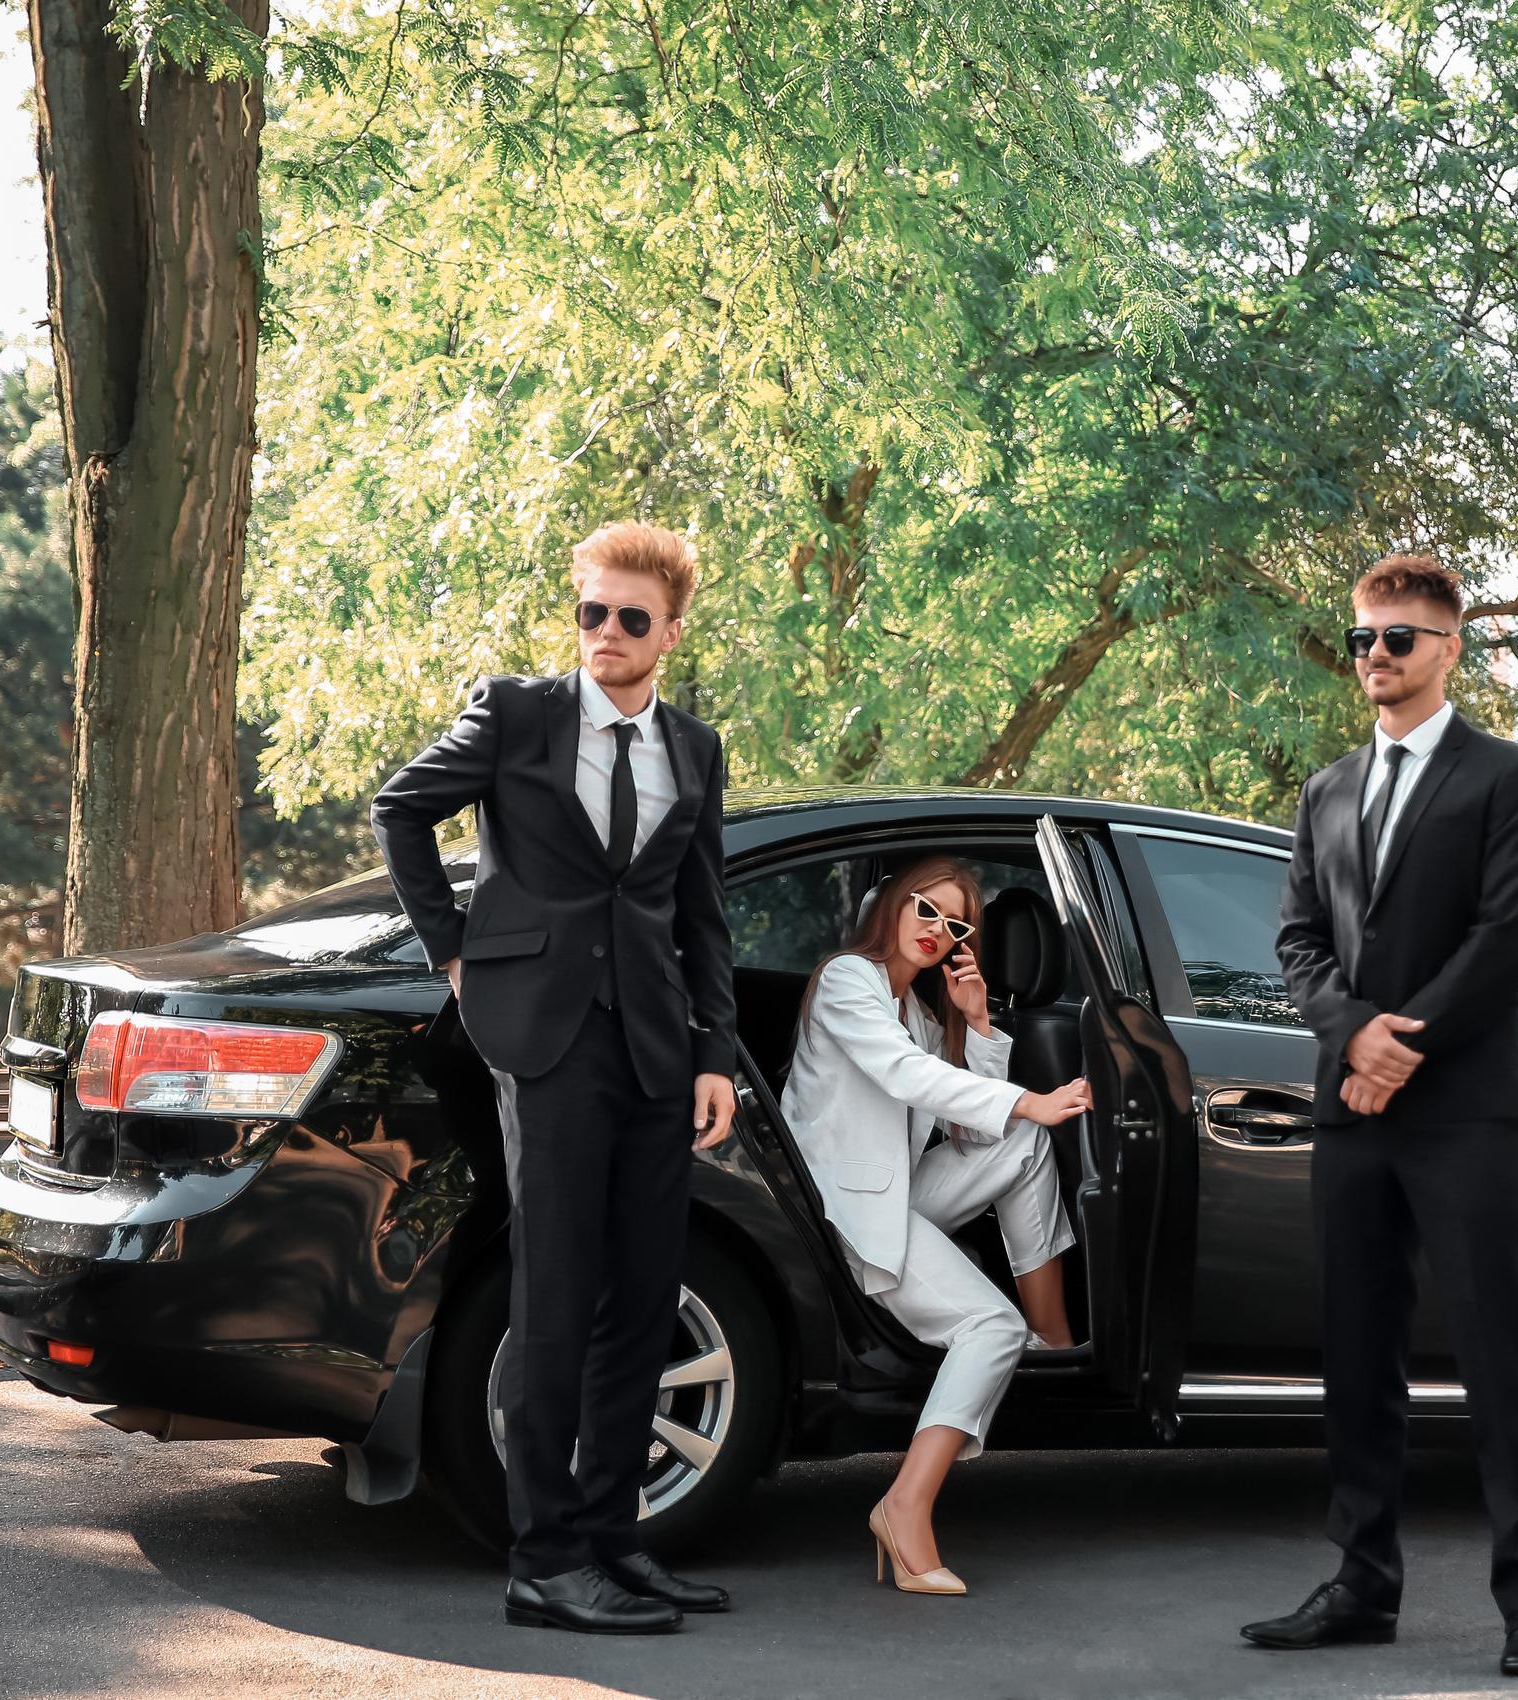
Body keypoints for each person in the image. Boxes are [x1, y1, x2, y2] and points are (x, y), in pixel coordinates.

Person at [370, 521, 738, 1636]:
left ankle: (615, 1539)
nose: (608, 633)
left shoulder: (696, 747)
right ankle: (544, 1559)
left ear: (670, 631)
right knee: (553, 1299)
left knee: (640, 1299)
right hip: (544, 1041)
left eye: (632, 617)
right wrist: (453, 949)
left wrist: (715, 1049)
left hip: (656, 1051)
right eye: (592, 612)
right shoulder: (516, 712)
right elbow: (401, 807)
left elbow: (702, 914)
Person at [1240, 553, 1518, 1677]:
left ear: (1449, 648)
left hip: (1462, 1113)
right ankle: (1359, 1584)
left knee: (1500, 1355)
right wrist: (1353, 1035)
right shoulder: (1326, 790)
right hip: (1353, 1112)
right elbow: (1295, 941)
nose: (1374, 656)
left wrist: (1403, 1042)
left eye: (1398, 638)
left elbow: (1506, 937)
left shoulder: (1505, 776)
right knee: (1357, 1357)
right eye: (1361, 638)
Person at [779, 856, 1090, 1596]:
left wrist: (978, 1025)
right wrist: (1029, 1098)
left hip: (893, 1189)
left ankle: (1054, 1336)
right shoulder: (849, 980)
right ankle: (903, 1505)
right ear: (893, 902)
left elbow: (975, 1136)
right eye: (928, 910)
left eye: (955, 925)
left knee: (1023, 1143)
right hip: (846, 1208)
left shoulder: (919, 1011)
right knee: (989, 1328)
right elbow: (902, 1076)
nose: (937, 931)